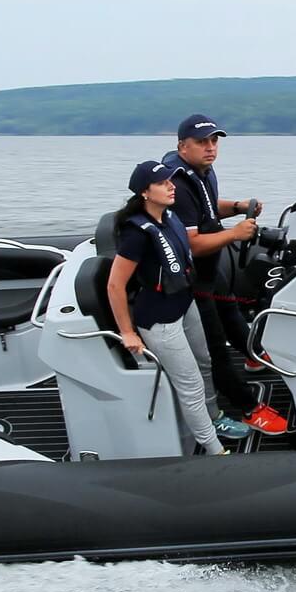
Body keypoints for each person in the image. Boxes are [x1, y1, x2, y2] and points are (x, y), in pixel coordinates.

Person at [164, 113, 290, 436]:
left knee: (232, 312)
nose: (210, 148)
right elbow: (191, 243)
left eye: (213, 141)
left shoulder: (202, 171)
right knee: (215, 348)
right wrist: (234, 234)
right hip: (190, 278)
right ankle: (248, 407)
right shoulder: (177, 184)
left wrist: (236, 206)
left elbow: (206, 208)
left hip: (210, 267)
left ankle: (253, 355)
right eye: (201, 142)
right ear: (182, 146)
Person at [107, 160, 238, 456]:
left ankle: (214, 417)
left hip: (183, 301)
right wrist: (127, 332)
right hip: (160, 319)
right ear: (145, 192)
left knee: (205, 362)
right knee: (190, 385)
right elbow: (115, 285)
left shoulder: (170, 217)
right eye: (163, 183)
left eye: (171, 181)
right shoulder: (136, 233)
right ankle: (215, 450)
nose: (171, 186)